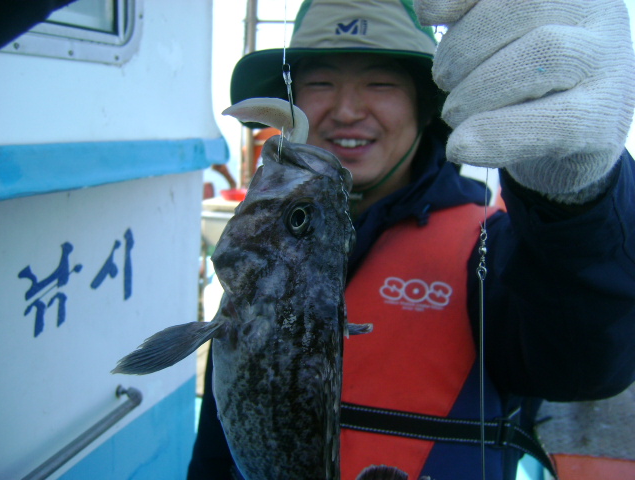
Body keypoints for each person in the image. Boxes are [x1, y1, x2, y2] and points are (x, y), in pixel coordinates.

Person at [189, 0, 635, 479]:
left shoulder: (491, 251)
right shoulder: (263, 256)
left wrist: (573, 192)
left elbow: (587, 362)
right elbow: (218, 444)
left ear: (426, 109)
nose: (346, 110)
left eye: (381, 84)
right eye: (320, 83)